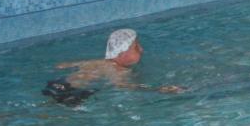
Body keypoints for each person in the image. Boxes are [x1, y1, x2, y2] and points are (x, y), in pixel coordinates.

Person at [50, 29, 181, 99]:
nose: (141, 49)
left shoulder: (96, 62)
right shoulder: (119, 70)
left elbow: (61, 66)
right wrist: (157, 90)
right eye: (136, 47)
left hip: (58, 83)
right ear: (121, 53)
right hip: (73, 92)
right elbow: (122, 86)